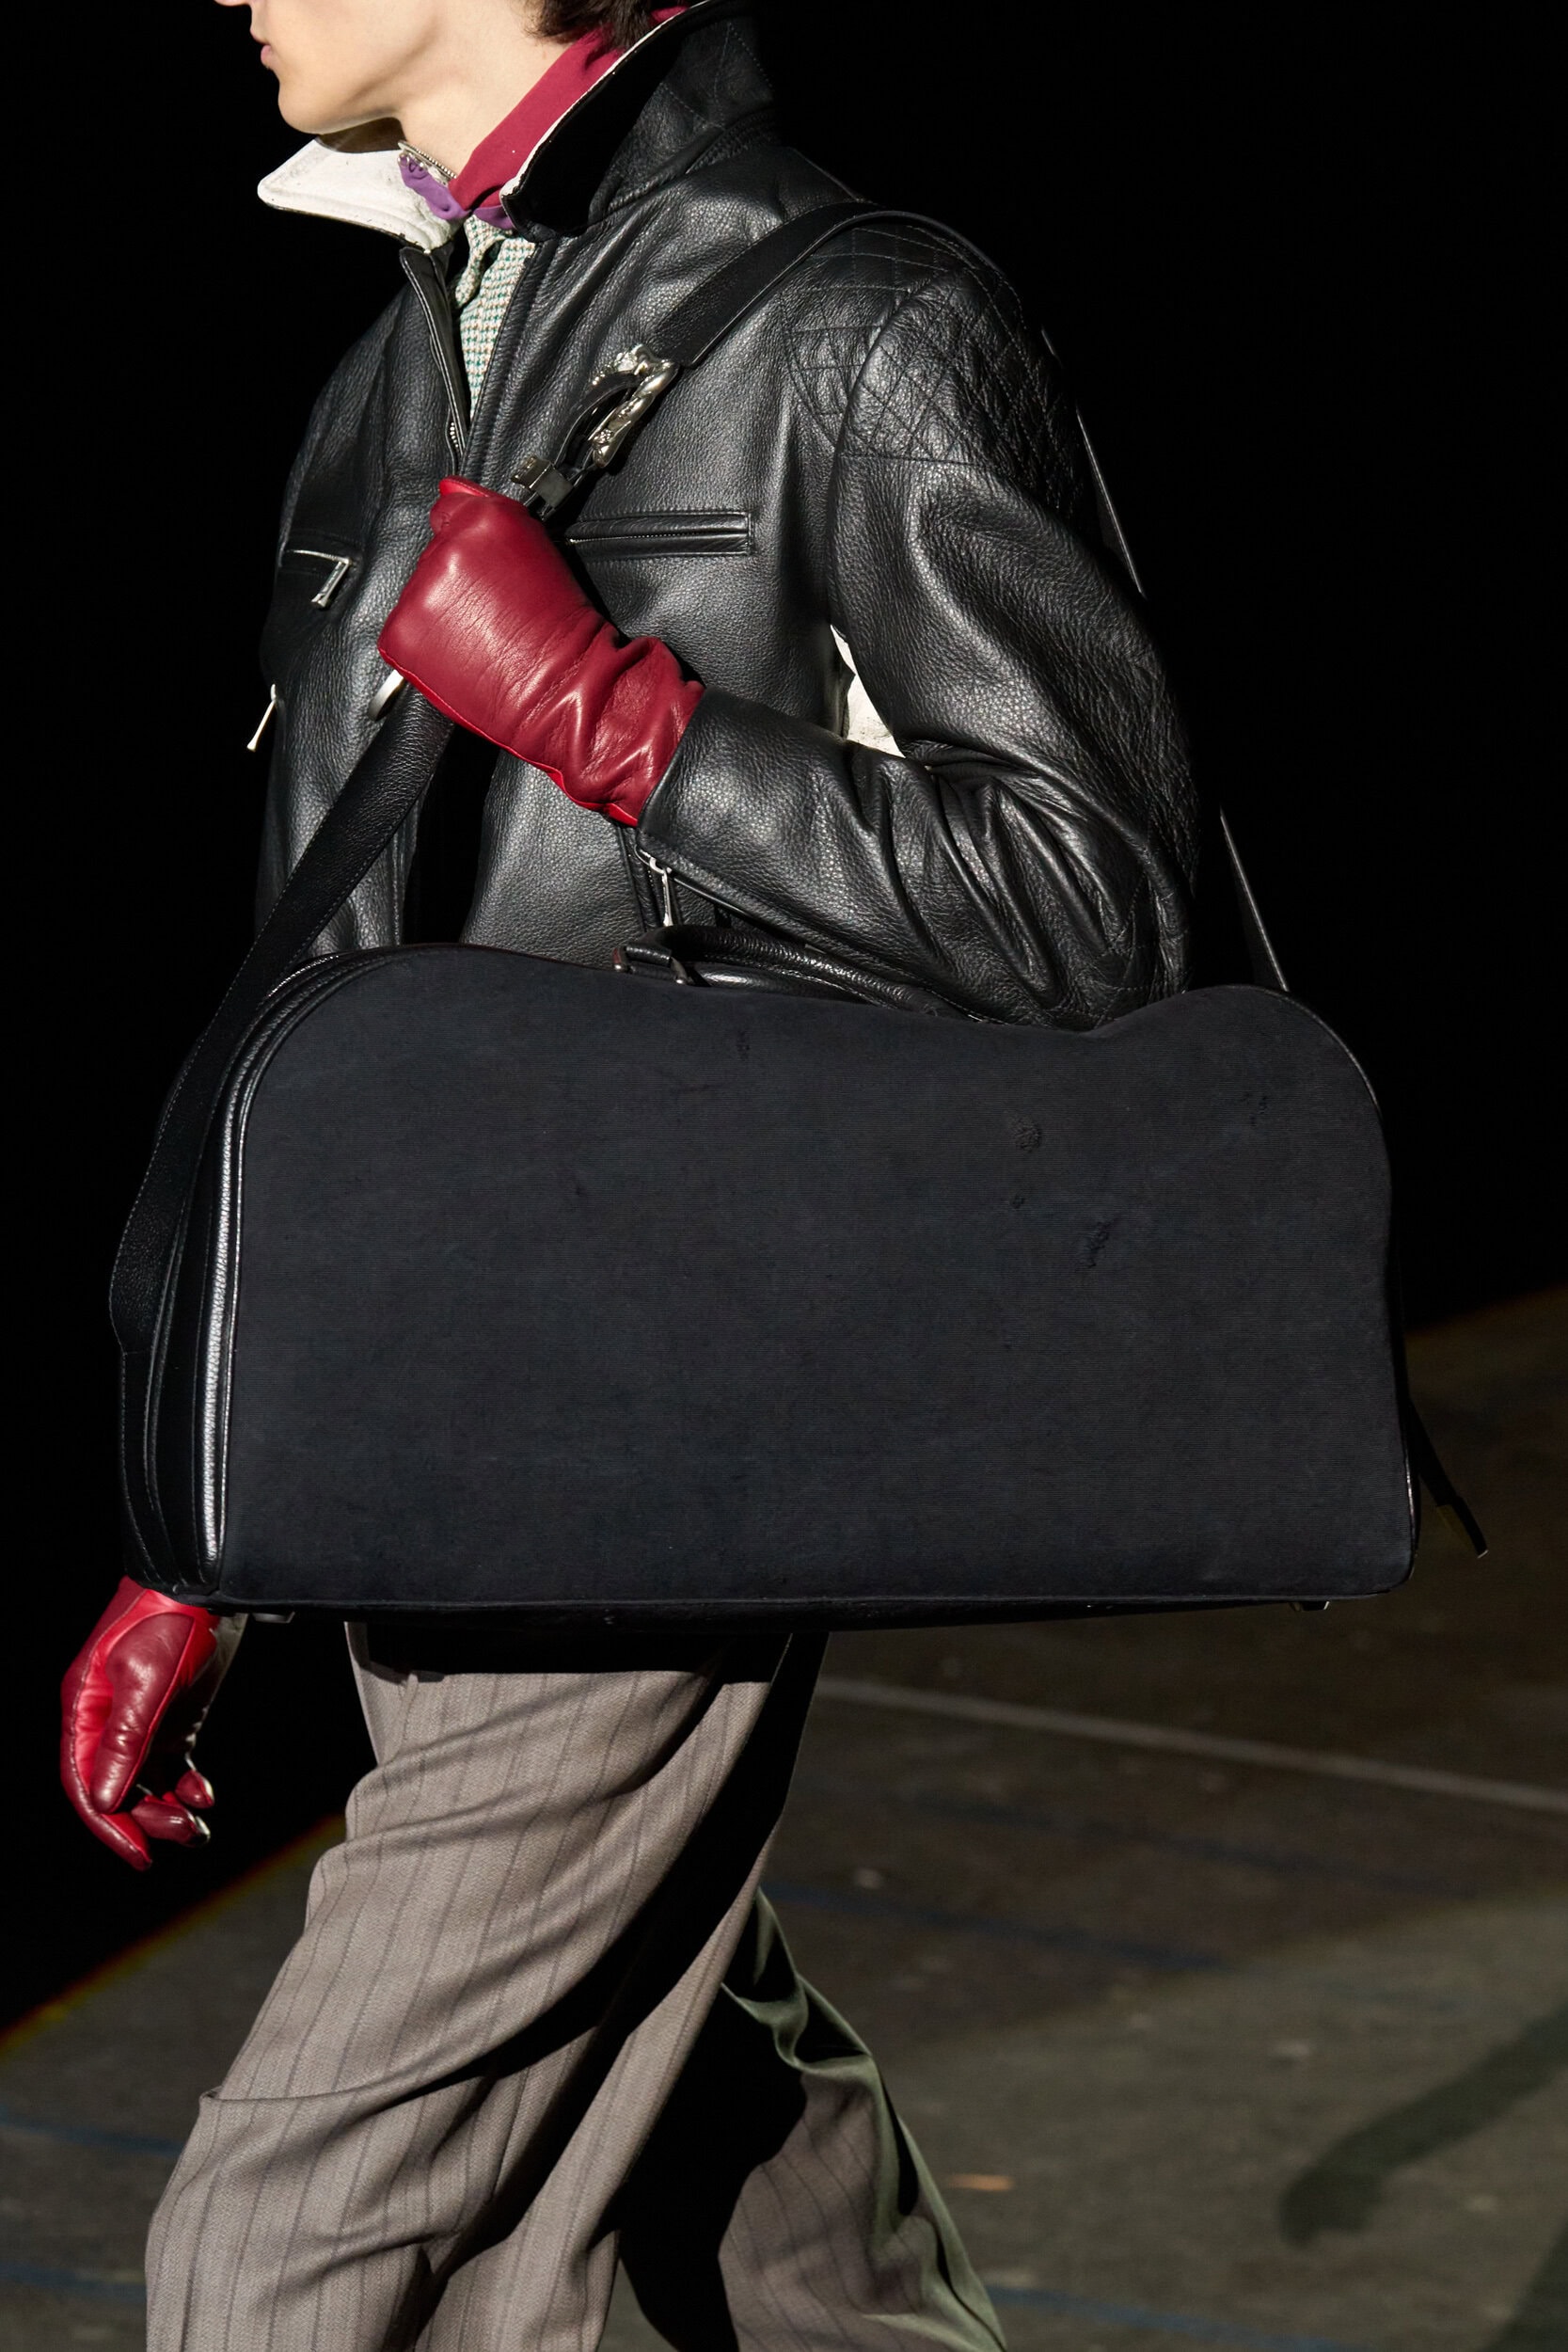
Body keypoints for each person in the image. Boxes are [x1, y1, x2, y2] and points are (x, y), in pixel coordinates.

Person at [60, 0, 1199, 2342]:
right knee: (730, 2182)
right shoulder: (393, 376)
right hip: (448, 1419)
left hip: (662, 1408)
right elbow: (340, 1001)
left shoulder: (860, 321)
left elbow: (1095, 906)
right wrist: (213, 1508)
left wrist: (621, 722)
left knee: (280, 2257)